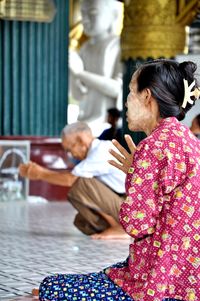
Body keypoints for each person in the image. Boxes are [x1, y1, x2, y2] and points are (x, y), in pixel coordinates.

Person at [38, 59, 200, 301]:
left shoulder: (153, 146)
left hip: (157, 281)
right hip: (188, 277)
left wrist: (135, 178)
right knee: (109, 271)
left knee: (51, 287)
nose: (126, 101)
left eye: (130, 92)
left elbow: (137, 224)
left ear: (147, 97)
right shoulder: (188, 140)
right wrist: (138, 172)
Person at [19, 122, 127, 240]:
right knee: (82, 222)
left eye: (70, 149)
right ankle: (123, 227)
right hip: (121, 204)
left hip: (131, 206)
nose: (71, 155)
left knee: (81, 184)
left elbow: (71, 179)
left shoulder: (102, 150)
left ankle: (120, 228)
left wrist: (40, 173)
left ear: (81, 140)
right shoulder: (95, 153)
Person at [69, 0, 122, 136]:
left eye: (92, 12)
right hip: (84, 120)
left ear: (114, 14)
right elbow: (78, 95)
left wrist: (80, 73)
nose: (85, 20)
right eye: (83, 13)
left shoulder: (117, 46)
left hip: (105, 122)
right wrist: (74, 76)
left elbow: (117, 88)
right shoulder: (85, 47)